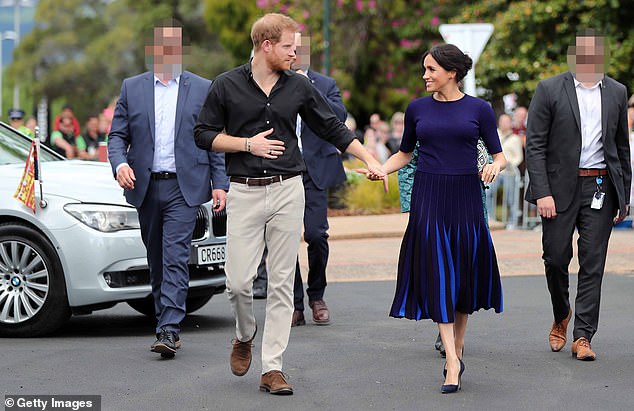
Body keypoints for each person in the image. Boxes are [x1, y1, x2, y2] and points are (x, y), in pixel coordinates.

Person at [193, 13, 384, 395]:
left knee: (281, 283)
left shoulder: (298, 86)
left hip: (287, 189)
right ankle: (244, 334)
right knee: (237, 283)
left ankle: (272, 368)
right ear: (266, 45)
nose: (295, 53)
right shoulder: (226, 84)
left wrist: (370, 160)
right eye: (287, 46)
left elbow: (332, 127)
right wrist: (248, 144)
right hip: (244, 191)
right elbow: (203, 134)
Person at [365, 43, 506, 394]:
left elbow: (500, 156)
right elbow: (404, 153)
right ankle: (453, 361)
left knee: (463, 274)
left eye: (431, 69)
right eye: (424, 69)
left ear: (451, 72)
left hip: (466, 200)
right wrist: (381, 169)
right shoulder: (416, 109)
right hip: (429, 198)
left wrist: (492, 165)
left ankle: (455, 348)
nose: (424, 75)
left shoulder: (480, 109)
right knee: (439, 271)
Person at [107, 19, 229, 359]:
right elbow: (117, 136)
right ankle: (164, 319)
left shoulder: (202, 88)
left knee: (175, 255)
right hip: (146, 186)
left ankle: (169, 329)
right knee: (156, 258)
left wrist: (220, 184)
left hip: (184, 187)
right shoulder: (133, 88)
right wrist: (120, 165)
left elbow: (211, 140)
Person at [525, 30, 631, 361]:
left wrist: (624, 196)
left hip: (600, 187)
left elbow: (621, 149)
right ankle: (561, 314)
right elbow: (535, 144)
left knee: (593, 263)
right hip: (557, 191)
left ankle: (583, 336)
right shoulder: (549, 89)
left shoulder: (616, 91)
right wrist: (542, 192)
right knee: (556, 258)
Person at [252, 32, 348, 328]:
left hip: (314, 171)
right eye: (290, 48)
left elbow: (338, 117)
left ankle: (316, 295)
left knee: (317, 235)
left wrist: (305, 87)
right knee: (284, 239)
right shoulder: (271, 82)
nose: (295, 53)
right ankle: (294, 304)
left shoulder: (325, 84)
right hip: (282, 169)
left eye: (299, 48)